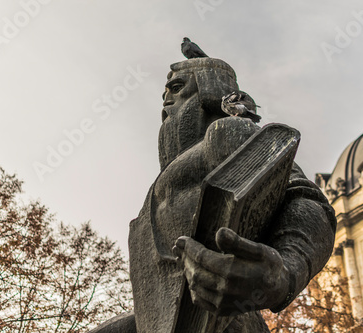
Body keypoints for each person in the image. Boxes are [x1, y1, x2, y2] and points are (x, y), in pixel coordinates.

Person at [93, 57, 336, 333]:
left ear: (209, 90)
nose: (166, 100)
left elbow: (306, 201)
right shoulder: (156, 193)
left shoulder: (227, 132)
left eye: (177, 87)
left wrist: (285, 272)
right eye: (164, 93)